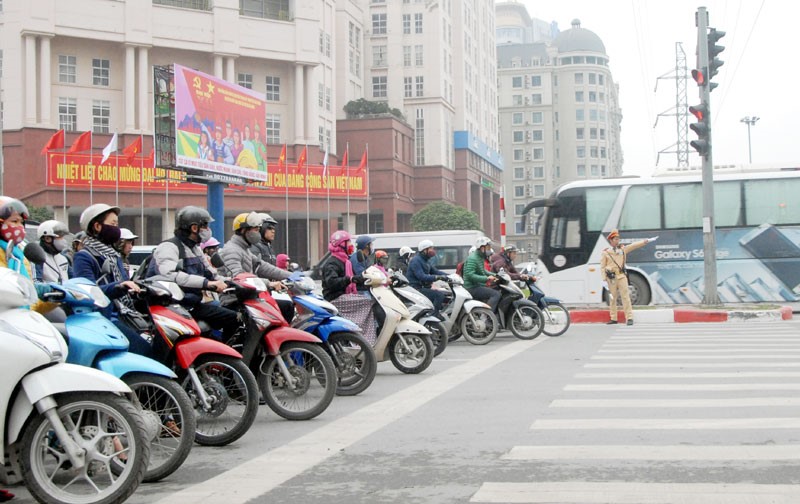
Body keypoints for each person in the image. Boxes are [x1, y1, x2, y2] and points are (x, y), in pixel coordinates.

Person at [72, 204, 152, 356]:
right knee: (143, 350)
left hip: (123, 313)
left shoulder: (113, 256)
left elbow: (126, 287)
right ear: (97, 226)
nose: (117, 229)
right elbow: (86, 292)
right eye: (113, 224)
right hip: (104, 318)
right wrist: (119, 286)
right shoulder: (84, 256)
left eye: (117, 224)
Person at [150, 206, 238, 342]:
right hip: (174, 306)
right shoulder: (169, 247)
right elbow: (170, 275)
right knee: (231, 317)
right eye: (205, 226)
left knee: (234, 316)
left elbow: (212, 274)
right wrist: (207, 284)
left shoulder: (195, 249)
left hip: (192, 304)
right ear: (194, 228)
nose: (208, 230)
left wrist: (234, 281)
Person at [219, 212, 297, 322]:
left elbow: (263, 267)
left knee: (286, 306)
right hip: (234, 301)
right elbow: (237, 278)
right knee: (282, 308)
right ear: (243, 231)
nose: (258, 233)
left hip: (249, 298)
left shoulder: (244, 250)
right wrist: (269, 283)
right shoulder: (232, 251)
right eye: (255, 230)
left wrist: (292, 276)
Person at [0, 197, 54, 314]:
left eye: (21, 222)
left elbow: (28, 303)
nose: (20, 226)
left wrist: (53, 296)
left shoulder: (19, 256)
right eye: (14, 221)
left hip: (18, 321)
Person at [322, 230, 375, 343]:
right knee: (368, 301)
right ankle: (364, 339)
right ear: (341, 245)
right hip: (335, 298)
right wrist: (349, 279)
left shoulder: (346, 261)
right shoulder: (332, 263)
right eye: (348, 242)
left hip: (345, 296)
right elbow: (332, 282)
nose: (351, 245)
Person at [601, 229, 654, 326]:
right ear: (611, 241)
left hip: (621, 276)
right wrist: (604, 279)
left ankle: (629, 318)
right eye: (615, 239)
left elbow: (633, 245)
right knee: (612, 298)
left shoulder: (623, 250)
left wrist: (645, 241)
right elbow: (602, 267)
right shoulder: (606, 253)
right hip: (611, 278)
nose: (617, 241)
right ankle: (613, 318)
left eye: (618, 239)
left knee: (625, 297)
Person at [406, 240, 448, 317]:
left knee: (447, 295)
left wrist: (449, 276)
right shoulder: (416, 261)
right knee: (439, 295)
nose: (433, 251)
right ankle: (434, 316)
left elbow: (435, 271)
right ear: (425, 250)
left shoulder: (425, 261)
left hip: (424, 287)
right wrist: (437, 277)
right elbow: (421, 276)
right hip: (416, 288)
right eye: (431, 248)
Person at [462, 237, 501, 313]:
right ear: (481, 247)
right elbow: (470, 274)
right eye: (488, 247)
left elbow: (483, 271)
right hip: (471, 287)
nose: (489, 249)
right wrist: (486, 278)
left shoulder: (479, 257)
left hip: (477, 285)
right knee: (496, 294)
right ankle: (487, 315)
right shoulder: (473, 258)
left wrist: (495, 275)